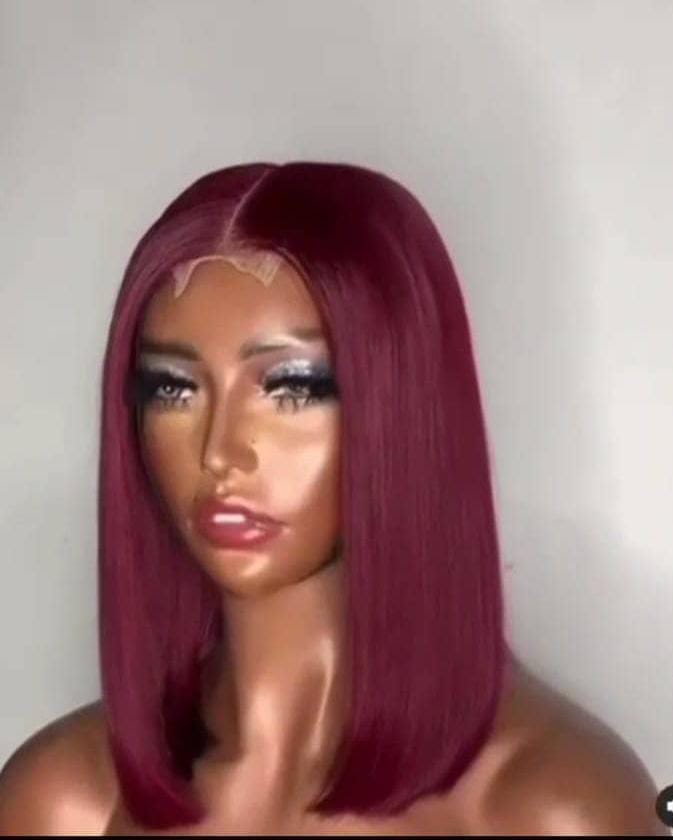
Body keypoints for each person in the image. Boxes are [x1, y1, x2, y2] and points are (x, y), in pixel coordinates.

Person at [0, 162, 666, 835]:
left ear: (403, 406)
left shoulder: (548, 809)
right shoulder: (62, 805)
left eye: (293, 388)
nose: (219, 453)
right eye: (174, 389)